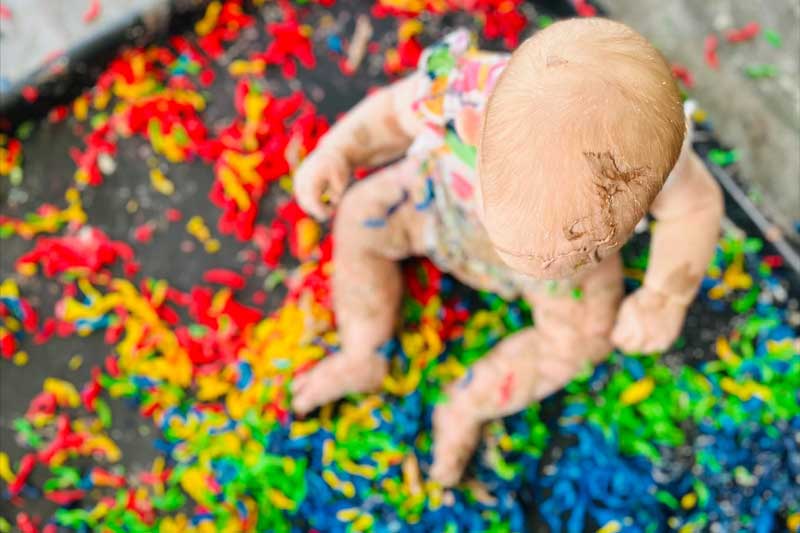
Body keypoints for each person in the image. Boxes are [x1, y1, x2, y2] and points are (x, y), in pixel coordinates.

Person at [290, 18, 724, 486]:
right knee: (360, 213)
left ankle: (469, 402)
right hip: (443, 210)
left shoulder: (654, 156)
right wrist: (339, 152)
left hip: (572, 285)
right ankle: (361, 351)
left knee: (587, 336)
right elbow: (390, 117)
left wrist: (664, 297)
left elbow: (696, 207)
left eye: (562, 247)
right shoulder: (459, 95)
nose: (525, 259)